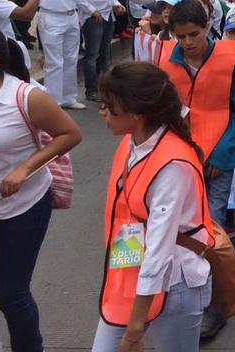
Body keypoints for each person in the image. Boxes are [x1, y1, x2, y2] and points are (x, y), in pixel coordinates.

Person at [91, 61, 215, 352]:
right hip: (132, 272)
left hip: (175, 285)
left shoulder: (173, 164)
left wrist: (134, 330)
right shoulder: (134, 140)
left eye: (110, 106)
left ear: (136, 113)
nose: (102, 112)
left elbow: (159, 251)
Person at [0, 27, 81, 352]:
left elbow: (69, 134)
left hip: (20, 208)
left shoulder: (25, 96)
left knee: (11, 291)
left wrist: (24, 168)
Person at [157, 0, 235, 339]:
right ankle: (189, 290)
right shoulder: (167, 59)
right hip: (179, 161)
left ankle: (214, 303)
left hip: (217, 163)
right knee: (183, 225)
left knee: (210, 229)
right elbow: (161, 112)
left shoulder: (230, 60)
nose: (187, 42)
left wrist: (221, 156)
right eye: (180, 36)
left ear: (208, 27)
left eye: (193, 34)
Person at [34, 0, 85, 110]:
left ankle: (68, 97)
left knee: (71, 59)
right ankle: (53, 101)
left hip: (71, 16)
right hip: (52, 16)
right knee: (55, 61)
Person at [76, 0, 126, 101]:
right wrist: (91, 11)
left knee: (104, 53)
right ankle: (91, 89)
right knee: (92, 55)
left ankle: (104, 87)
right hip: (93, 18)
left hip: (107, 15)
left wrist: (116, 4)